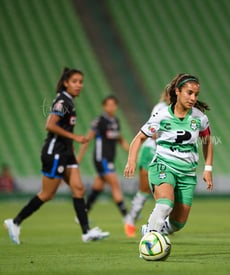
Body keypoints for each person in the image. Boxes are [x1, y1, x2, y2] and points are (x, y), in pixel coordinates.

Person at [4, 67, 109, 245]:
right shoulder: (62, 101)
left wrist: (71, 147)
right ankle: (15, 222)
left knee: (78, 189)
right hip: (55, 153)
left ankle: (86, 232)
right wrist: (75, 138)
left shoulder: (69, 100)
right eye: (75, 81)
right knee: (47, 194)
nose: (79, 85)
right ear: (66, 83)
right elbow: (50, 125)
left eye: (81, 82)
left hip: (67, 153)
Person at [124, 73, 213, 238]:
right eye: (189, 93)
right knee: (165, 205)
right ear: (178, 91)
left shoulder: (200, 118)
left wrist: (208, 168)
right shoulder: (161, 114)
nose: (193, 97)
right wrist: (131, 161)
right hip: (163, 165)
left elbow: (207, 141)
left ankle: (150, 228)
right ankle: (150, 242)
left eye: (196, 94)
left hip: (187, 173)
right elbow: (139, 138)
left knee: (178, 223)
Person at [124, 90, 170, 237]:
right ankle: (131, 219)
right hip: (150, 151)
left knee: (168, 193)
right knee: (144, 190)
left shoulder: (179, 111)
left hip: (165, 155)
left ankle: (158, 225)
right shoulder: (160, 108)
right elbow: (154, 133)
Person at [77, 95, 129, 223]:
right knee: (115, 184)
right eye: (108, 104)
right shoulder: (99, 121)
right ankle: (127, 216)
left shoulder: (115, 121)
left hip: (109, 159)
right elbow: (87, 140)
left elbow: (121, 140)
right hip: (101, 158)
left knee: (98, 187)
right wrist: (78, 158)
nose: (111, 107)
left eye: (113, 104)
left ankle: (82, 214)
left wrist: (133, 154)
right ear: (104, 106)